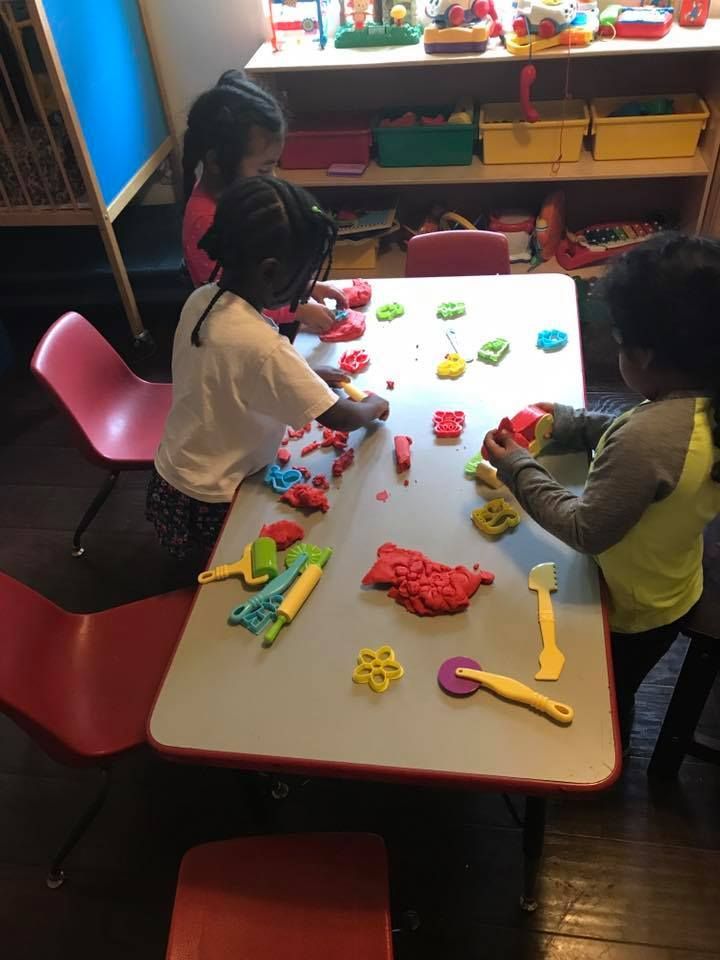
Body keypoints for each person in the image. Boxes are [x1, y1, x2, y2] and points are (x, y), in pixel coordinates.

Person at [483, 234, 720, 747]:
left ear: (646, 354)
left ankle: (597, 750)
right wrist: (572, 424)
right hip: (673, 579)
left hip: (631, 606)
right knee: (618, 687)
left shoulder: (650, 438)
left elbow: (585, 528)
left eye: (617, 340)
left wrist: (518, 467)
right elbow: (643, 434)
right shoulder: (696, 405)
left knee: (607, 693)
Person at [147, 176, 389, 559]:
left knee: (191, 566)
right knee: (215, 579)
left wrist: (304, 380)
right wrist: (373, 406)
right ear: (270, 271)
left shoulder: (202, 298)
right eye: (303, 274)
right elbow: (340, 417)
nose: (305, 285)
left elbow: (232, 375)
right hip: (216, 496)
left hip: (174, 476)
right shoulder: (264, 348)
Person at [181, 69, 344, 334]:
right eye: (263, 170)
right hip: (233, 338)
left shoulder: (240, 205)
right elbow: (233, 302)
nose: (273, 179)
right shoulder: (206, 220)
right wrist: (299, 309)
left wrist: (303, 286)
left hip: (259, 327)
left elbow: (262, 274)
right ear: (215, 163)